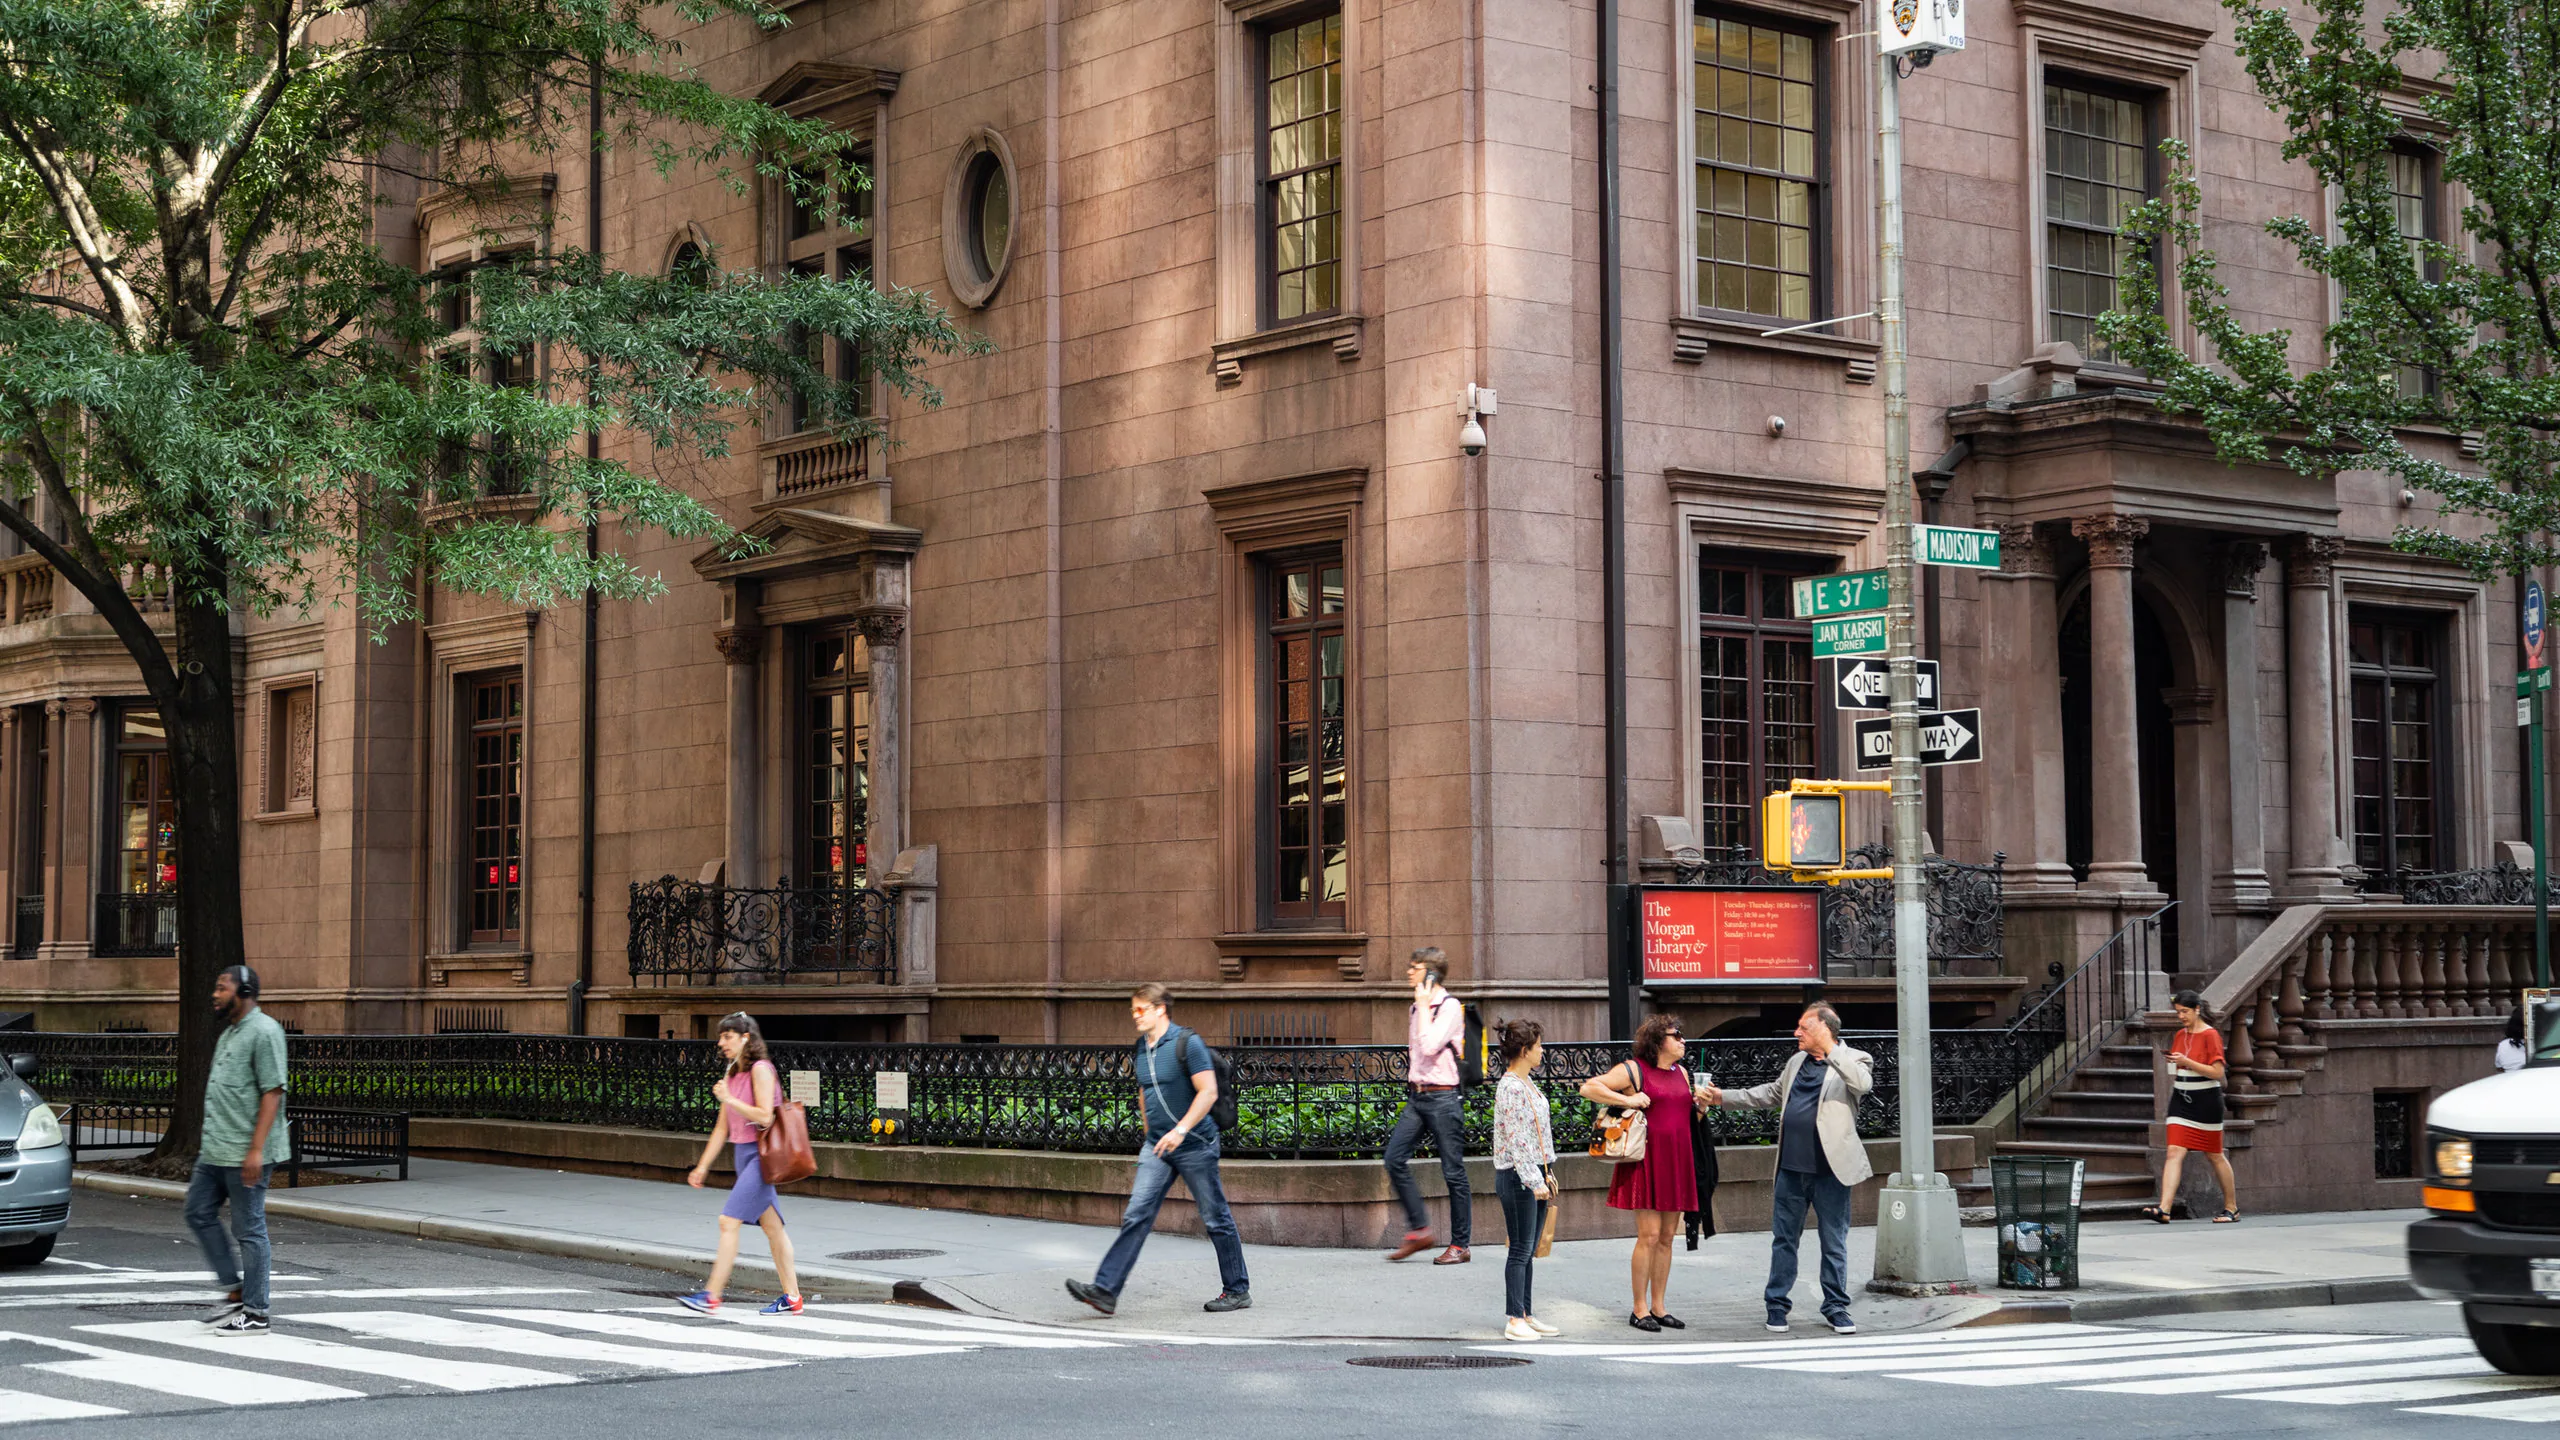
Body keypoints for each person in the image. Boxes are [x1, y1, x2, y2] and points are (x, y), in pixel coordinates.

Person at [1066, 984, 1251, 1316]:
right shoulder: (1142, 1046)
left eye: (1140, 1010)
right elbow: (1144, 1089)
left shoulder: (1187, 1043)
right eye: (1133, 1010)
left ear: (1160, 1009)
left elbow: (1207, 1092)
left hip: (1195, 1144)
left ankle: (1237, 1290)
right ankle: (1106, 1290)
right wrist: (1150, 1133)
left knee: (1215, 1218)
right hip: (1158, 1148)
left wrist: (1181, 1131)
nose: (1135, 1016)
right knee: (1136, 1215)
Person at [1703, 1003, 1873, 1336]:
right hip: (1791, 1169)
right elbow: (1770, 1093)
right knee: (1784, 1241)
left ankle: (1836, 1307)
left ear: (1823, 1029)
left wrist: (1830, 1052)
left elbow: (1861, 1085)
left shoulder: (1856, 1059)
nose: (1797, 1033)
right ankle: (1777, 1306)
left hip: (1832, 1171)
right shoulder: (1796, 1061)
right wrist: (1721, 1097)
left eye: (1803, 1028)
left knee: (1834, 1241)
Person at [1579, 1013, 1710, 1332]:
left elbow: (1686, 1118)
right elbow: (1589, 1088)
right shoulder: (1635, 1069)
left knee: (1667, 1237)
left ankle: (1659, 1306)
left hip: (1678, 1159)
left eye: (1681, 1035)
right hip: (1648, 1159)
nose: (1682, 1040)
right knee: (1649, 1236)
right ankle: (1639, 1309)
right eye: (1675, 1035)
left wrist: (1702, 1107)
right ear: (1657, 1041)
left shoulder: (1682, 1072)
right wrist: (1628, 1098)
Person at [680, 1012, 804, 1315]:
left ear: (745, 1038)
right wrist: (702, 1166)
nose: (721, 1042)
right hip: (743, 1155)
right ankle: (793, 1298)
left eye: (727, 1036)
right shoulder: (732, 1073)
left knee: (728, 1221)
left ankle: (711, 1296)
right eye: (721, 1036)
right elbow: (722, 1128)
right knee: (773, 1229)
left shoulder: (761, 1069)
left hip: (761, 1156)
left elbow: (765, 1116)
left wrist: (730, 1099)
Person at [190, 964, 290, 1336]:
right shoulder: (230, 1033)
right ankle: (234, 1292)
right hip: (216, 1149)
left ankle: (257, 1311)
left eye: (221, 987)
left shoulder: (265, 1032)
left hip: (245, 1153)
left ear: (243, 991)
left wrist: (256, 1151)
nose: (215, 994)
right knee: (197, 1211)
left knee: (249, 1230)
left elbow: (273, 1092)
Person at [1383, 946, 1472, 1264]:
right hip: (1418, 1097)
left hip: (1444, 1098)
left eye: (1415, 967)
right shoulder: (1416, 1008)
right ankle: (1420, 1229)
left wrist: (1422, 1007)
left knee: (1453, 1171)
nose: (1409, 972)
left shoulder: (1448, 1007)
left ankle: (1460, 1245)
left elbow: (1431, 1045)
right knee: (1393, 1159)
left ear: (1431, 973)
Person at [2142, 989, 2238, 1224]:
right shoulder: (2180, 1035)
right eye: (2178, 1012)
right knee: (2174, 1151)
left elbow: (2217, 1072)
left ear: (2197, 1009)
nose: (2181, 1016)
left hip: (2206, 1101)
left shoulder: (2210, 1035)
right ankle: (2164, 1209)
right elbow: (2180, 1066)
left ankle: (2232, 1208)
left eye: (2185, 1012)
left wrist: (2187, 1062)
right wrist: (2175, 1064)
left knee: (2214, 1155)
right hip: (2181, 1099)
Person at [1490, 1018, 1559, 1342]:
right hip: (1518, 1177)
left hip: (1532, 1173)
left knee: (1528, 1249)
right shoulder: (1512, 1087)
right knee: (1519, 1249)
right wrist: (1535, 1180)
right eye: (1538, 1046)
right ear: (1524, 1050)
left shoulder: (1525, 1083)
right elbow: (1517, 1140)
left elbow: (1534, 1136)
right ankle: (1514, 1318)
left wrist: (1546, 1171)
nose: (1542, 1051)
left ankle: (1526, 1314)